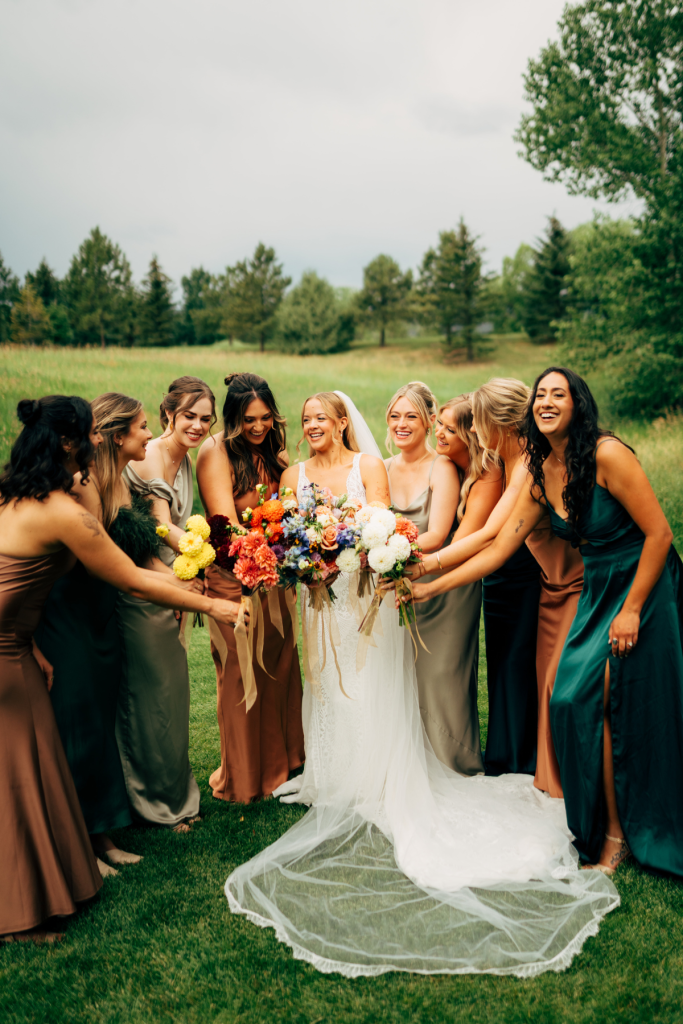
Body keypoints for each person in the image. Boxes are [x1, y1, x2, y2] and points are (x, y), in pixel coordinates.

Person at [226, 389, 618, 980]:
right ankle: (338, 771)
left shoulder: (488, 472)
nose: (414, 427)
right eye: (398, 416)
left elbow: (481, 540)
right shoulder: (309, 472)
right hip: (352, 587)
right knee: (333, 684)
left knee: (444, 683)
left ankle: (441, 765)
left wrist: (418, 572)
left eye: (427, 419)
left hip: (411, 577)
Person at [405, 367, 683, 879]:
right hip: (600, 587)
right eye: (541, 395)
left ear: (578, 404)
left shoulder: (607, 454)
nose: (547, 402)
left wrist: (632, 609)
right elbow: (497, 548)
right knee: (566, 699)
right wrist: (425, 580)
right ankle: (593, 819)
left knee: (602, 698)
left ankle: (618, 838)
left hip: (642, 585)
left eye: (559, 394)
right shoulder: (538, 472)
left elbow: (660, 534)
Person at [0, 396, 241, 943]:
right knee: (13, 773)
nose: (98, 442)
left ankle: (47, 879)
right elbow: (130, 579)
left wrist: (26, 638)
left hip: (15, 645)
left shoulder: (14, 492)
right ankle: (16, 915)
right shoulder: (64, 512)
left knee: (31, 763)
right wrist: (213, 605)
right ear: (69, 444)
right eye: (89, 435)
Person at [413, 388, 584, 797]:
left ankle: (537, 763)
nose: (471, 432)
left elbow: (493, 535)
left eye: (476, 424)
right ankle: (515, 757)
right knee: (511, 667)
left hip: (555, 579)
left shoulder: (529, 463)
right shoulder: (504, 459)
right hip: (523, 572)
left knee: (544, 675)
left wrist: (428, 572)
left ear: (499, 424)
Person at [33, 394, 153, 872]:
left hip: (99, 613)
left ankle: (102, 836)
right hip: (66, 615)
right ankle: (80, 843)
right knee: (76, 729)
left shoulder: (95, 481)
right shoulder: (55, 489)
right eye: (90, 432)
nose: (97, 438)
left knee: (99, 725)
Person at [197, 373, 304, 803]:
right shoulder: (215, 451)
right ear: (232, 418)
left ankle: (284, 765)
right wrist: (269, 545)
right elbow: (225, 523)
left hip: (274, 577)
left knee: (278, 669)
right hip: (233, 578)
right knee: (241, 675)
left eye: (264, 418)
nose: (258, 427)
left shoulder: (272, 452)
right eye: (248, 420)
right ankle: (245, 777)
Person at [118, 376, 216, 831]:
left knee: (172, 694)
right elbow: (159, 529)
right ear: (168, 415)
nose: (197, 426)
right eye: (189, 416)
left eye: (205, 418)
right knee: (151, 695)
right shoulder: (153, 456)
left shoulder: (186, 463)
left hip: (171, 588)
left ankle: (174, 792)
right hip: (141, 587)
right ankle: (156, 804)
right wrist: (202, 559)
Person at [384, 383, 482, 775]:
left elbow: (438, 534)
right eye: (395, 416)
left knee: (441, 674)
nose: (401, 424)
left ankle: (454, 763)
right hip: (400, 585)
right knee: (404, 675)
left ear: (428, 421)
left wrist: (387, 556)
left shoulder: (441, 467)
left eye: (411, 416)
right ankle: (413, 766)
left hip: (444, 582)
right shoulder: (382, 467)